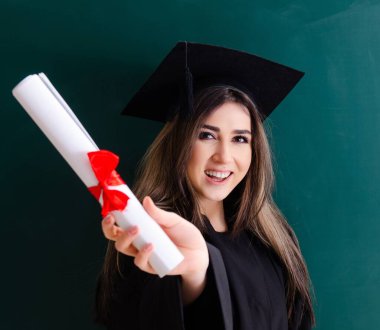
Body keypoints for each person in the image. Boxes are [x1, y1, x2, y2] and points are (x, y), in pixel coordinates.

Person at [94, 42, 315, 329]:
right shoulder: (151, 238)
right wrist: (195, 278)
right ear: (178, 143)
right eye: (207, 135)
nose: (224, 156)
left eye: (240, 139)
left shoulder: (274, 240)